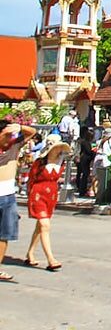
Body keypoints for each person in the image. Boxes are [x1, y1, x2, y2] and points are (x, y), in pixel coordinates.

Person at [25, 134, 71, 271]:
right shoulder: (39, 162)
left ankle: (30, 253)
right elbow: (31, 180)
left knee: (40, 227)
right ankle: (50, 258)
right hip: (38, 193)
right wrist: (30, 195)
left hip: (51, 195)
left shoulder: (60, 162)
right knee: (45, 225)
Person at [0, 120, 37, 282]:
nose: (9, 138)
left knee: (4, 234)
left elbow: (32, 132)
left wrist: (19, 127)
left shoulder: (15, 146)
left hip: (8, 196)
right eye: (6, 135)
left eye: (11, 135)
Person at [76, 126, 95, 197]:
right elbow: (88, 151)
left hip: (84, 159)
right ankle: (82, 190)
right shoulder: (86, 143)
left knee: (83, 174)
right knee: (85, 174)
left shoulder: (83, 142)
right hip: (85, 160)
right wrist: (94, 153)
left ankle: (82, 189)